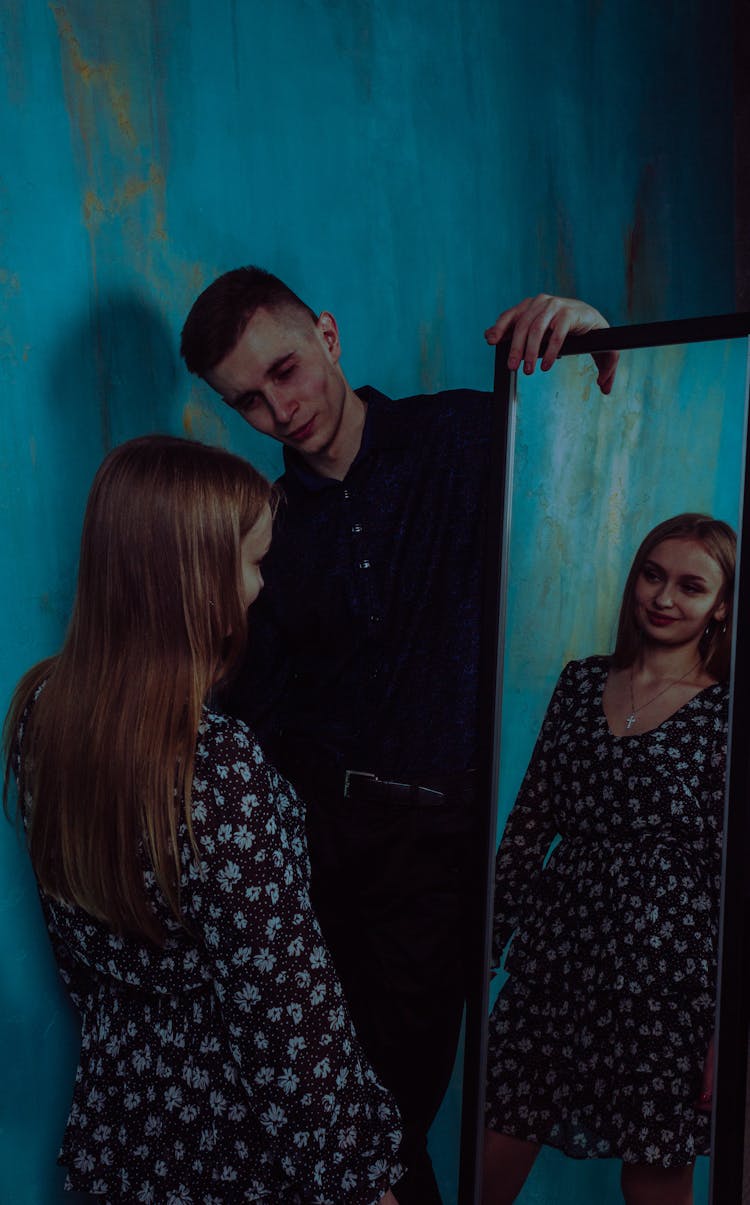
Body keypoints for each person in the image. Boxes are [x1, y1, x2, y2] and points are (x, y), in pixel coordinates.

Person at [179, 269, 619, 1204]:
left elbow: (598, 438)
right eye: (245, 401)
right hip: (309, 860)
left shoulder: (465, 434)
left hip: (442, 851)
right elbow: (251, 713)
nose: (277, 409)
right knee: (328, 1125)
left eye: (286, 371)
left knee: (379, 1123)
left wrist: (588, 335)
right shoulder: (264, 525)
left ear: (329, 336)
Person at [3, 435, 403, 1205]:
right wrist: (360, 1181)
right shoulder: (217, 764)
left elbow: (75, 958)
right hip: (240, 1132)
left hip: (127, 1109)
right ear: (193, 581)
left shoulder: (40, 709)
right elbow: (287, 1008)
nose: (259, 585)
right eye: (252, 563)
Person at [482, 513, 735, 1205]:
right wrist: (490, 946)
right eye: (653, 575)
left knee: (653, 1171)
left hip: (667, 975)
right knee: (494, 1143)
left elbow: (732, 873)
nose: (663, 596)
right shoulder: (579, 681)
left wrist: (724, 1024)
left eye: (691, 585)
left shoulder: (728, 713)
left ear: (721, 606)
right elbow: (531, 822)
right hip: (555, 955)